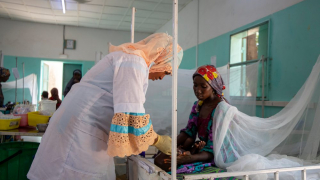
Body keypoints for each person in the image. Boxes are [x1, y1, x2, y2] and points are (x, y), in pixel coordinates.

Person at [27, 33, 183, 180]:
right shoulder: (133, 62)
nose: (162, 77)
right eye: (167, 71)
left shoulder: (126, 58)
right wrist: (158, 140)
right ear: (159, 58)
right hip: (81, 133)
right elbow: (134, 120)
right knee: (73, 170)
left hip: (78, 126)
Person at [155, 65, 228, 174]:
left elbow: (214, 148)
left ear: (213, 87)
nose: (198, 90)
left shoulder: (221, 109)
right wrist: (170, 145)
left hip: (218, 154)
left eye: (203, 86)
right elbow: (189, 132)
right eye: (195, 85)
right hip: (201, 150)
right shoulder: (198, 106)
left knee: (167, 163)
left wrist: (190, 158)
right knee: (160, 159)